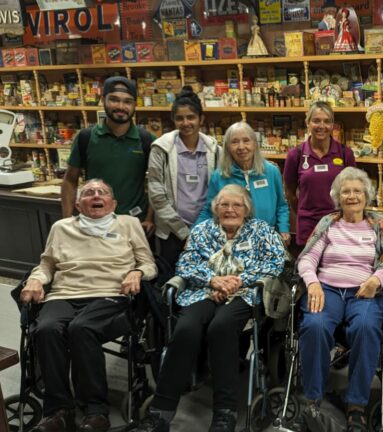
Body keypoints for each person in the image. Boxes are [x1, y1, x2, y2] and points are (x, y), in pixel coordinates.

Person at [134, 185, 286, 432]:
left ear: (246, 209)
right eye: (224, 204)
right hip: (203, 290)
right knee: (185, 329)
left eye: (236, 205)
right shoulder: (202, 230)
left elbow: (276, 262)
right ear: (216, 208)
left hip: (243, 293)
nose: (230, 209)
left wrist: (239, 281)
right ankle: (160, 411)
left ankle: (225, 413)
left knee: (221, 327)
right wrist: (213, 280)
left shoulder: (261, 230)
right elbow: (186, 263)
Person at [20, 179, 158, 432]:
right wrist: (36, 280)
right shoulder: (61, 227)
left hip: (110, 294)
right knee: (46, 329)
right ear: (77, 205)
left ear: (113, 204)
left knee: (81, 328)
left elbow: (148, 263)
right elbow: (47, 265)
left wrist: (137, 272)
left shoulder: (128, 223)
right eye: (88, 193)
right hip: (64, 294)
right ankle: (59, 411)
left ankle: (95, 411)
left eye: (102, 192)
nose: (96, 196)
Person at [296, 167, 383, 431]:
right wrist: (312, 283)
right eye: (346, 191)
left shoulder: (379, 225)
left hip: (364, 290)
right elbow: (307, 257)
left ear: (367, 196)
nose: (352, 196)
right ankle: (312, 399)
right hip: (326, 288)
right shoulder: (328, 223)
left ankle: (356, 404)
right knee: (315, 326)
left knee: (366, 328)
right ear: (337, 197)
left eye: (357, 191)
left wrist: (376, 279)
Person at [62, 76, 156, 236]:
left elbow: (157, 183)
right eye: (114, 100)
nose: (121, 106)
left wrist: (149, 218)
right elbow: (70, 180)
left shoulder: (147, 140)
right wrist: (67, 221)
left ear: (135, 105)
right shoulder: (86, 138)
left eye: (127, 101)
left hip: (135, 224)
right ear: (103, 100)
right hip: (94, 224)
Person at [148, 86, 222, 268]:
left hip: (207, 229)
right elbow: (156, 195)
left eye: (191, 117)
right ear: (173, 120)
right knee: (170, 277)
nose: (185, 123)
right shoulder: (161, 149)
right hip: (171, 233)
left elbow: (219, 191)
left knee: (207, 277)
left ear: (201, 119)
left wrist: (200, 229)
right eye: (180, 118)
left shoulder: (215, 150)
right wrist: (183, 232)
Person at [195, 121, 290, 245]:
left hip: (266, 238)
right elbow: (209, 210)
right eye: (234, 142)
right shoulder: (219, 176)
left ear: (255, 143)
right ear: (227, 147)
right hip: (231, 240)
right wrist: (194, 233)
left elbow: (281, 205)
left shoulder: (271, 171)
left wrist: (284, 228)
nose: (241, 147)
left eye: (246, 140)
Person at [284, 101, 356, 247]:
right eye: (316, 121)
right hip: (308, 227)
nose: (322, 126)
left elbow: (354, 190)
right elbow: (290, 193)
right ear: (308, 123)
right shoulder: (295, 155)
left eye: (327, 121)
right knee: (308, 261)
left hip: (338, 225)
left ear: (332, 125)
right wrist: (305, 213)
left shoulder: (345, 154)